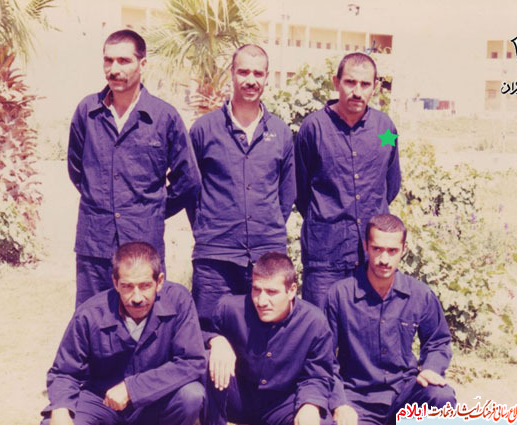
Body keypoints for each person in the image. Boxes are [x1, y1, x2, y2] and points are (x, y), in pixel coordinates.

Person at [68, 29, 201, 307]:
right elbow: (77, 170)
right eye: (108, 60)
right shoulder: (87, 112)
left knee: (146, 319)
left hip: (143, 244)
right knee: (92, 317)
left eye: (124, 61)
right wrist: (102, 199)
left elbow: (188, 179)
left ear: (143, 64)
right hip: (95, 242)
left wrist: (151, 210)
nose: (114, 69)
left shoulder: (164, 117)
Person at [189, 44, 296, 331]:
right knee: (209, 332)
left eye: (258, 73)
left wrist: (266, 227)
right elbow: (191, 190)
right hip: (215, 255)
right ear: (232, 74)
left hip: (266, 255)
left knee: (264, 335)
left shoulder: (281, 133)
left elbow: (287, 194)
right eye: (244, 72)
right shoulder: (204, 129)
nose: (251, 80)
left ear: (267, 77)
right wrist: (208, 227)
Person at [40, 241, 206, 425]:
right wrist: (61, 409)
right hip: (102, 401)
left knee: (191, 395)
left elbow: (192, 361)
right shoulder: (90, 314)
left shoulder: (179, 301)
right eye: (127, 286)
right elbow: (64, 372)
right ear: (115, 283)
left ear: (159, 282)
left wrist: (132, 388)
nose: (137, 298)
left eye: (145, 286)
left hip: (155, 399)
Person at [325, 214, 456, 425]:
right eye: (377, 249)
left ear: (404, 250)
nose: (384, 259)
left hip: (404, 393)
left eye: (392, 251)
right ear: (366, 247)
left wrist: (431, 368)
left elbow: (438, 341)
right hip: (357, 398)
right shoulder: (340, 295)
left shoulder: (420, 294)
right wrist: (340, 404)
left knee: (441, 397)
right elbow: (324, 358)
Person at [295, 52, 401, 308]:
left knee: (367, 327)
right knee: (321, 326)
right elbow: (300, 190)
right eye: (350, 82)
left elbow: (391, 184)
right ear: (336, 82)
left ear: (375, 87)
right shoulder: (313, 128)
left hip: (372, 257)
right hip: (324, 256)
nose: (357, 91)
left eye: (365, 84)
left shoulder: (385, 129)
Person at [203, 252, 334, 425]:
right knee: (207, 359)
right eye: (256, 289)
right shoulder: (229, 308)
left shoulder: (314, 323)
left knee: (319, 421)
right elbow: (196, 333)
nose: (261, 301)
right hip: (238, 397)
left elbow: (317, 375)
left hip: (282, 404)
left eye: (272, 292)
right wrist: (215, 340)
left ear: (292, 291)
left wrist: (310, 404)